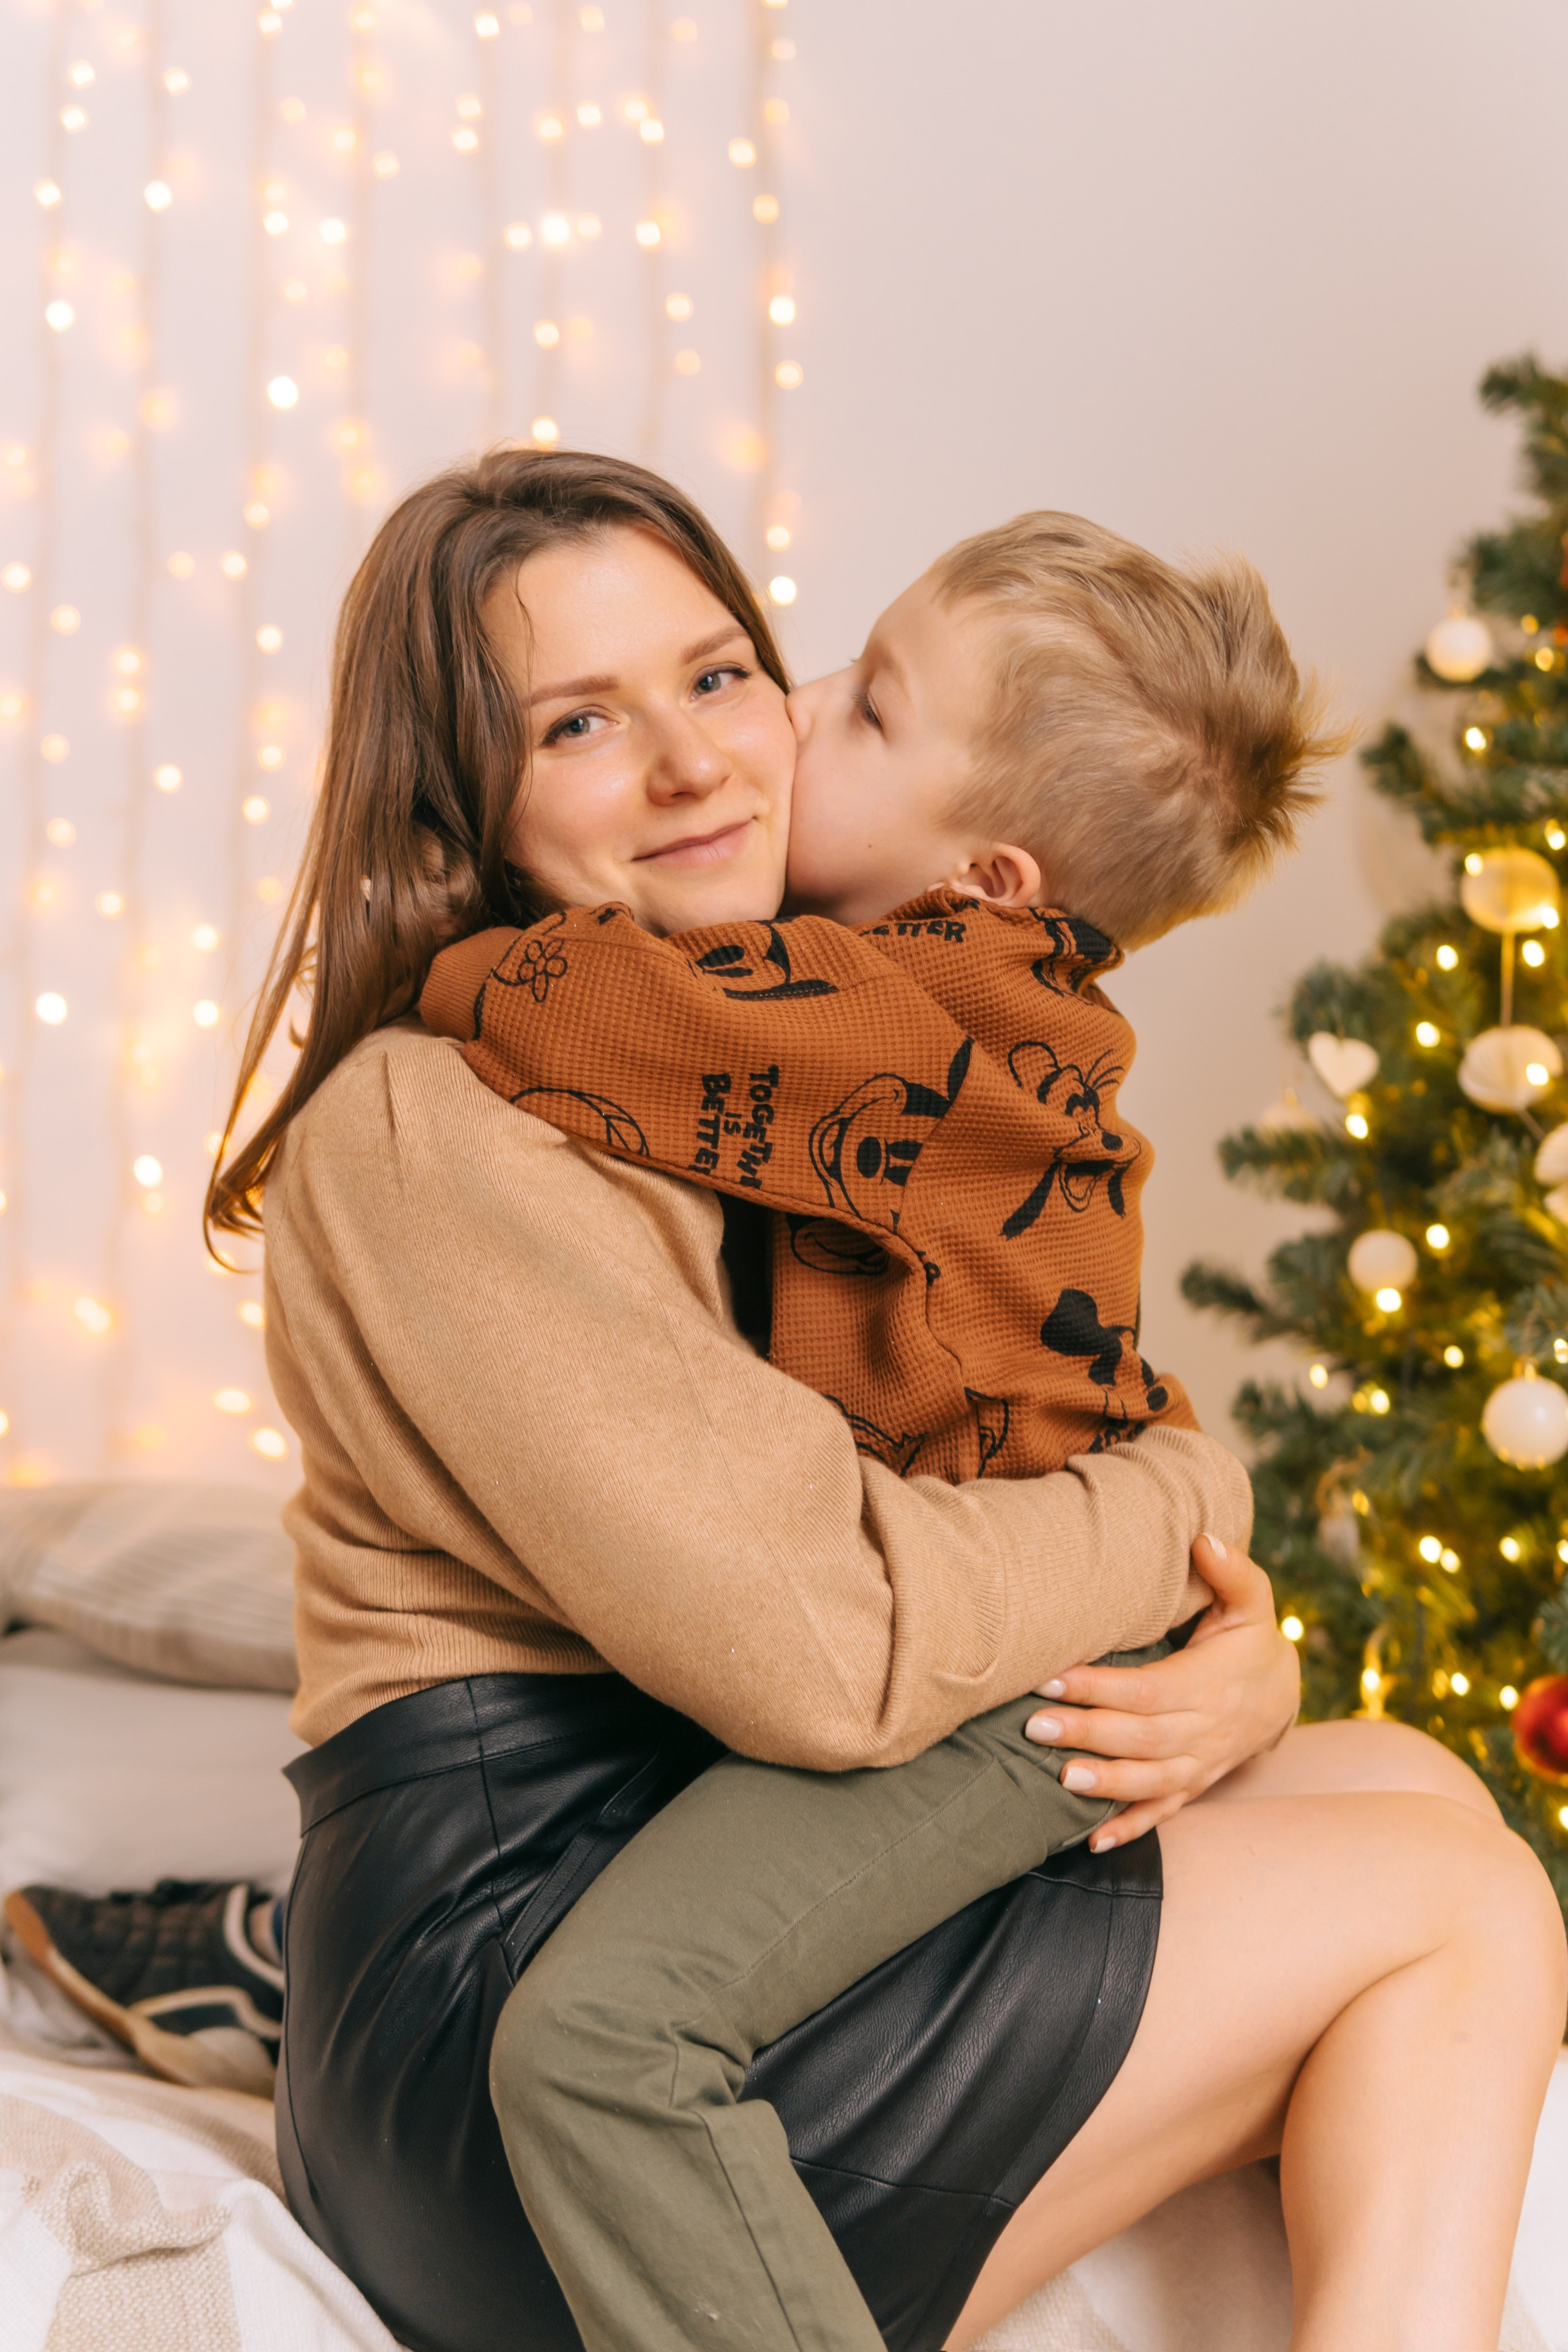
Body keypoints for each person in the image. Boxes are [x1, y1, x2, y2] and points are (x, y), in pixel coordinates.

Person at [202, 447, 1563, 2352]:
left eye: (721, 673)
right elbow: (831, 1650)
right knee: (1448, 1903)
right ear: (472, 788)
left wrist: (1227, 1662)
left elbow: (1047, 1402)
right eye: (581, 720)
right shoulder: (447, 1122)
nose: (696, 762)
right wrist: (1182, 1521)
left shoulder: (794, 1052)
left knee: (1417, 1791)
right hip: (520, 2006)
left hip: (745, 1873)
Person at [415, 511, 1332, 2352]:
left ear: (987, 877)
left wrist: (436, 966)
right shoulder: (1022, 1014)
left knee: (606, 2037)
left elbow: (577, 1009)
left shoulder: (890, 1011)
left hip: (994, 1672)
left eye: (864, 705)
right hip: (1012, 1629)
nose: (790, 713)